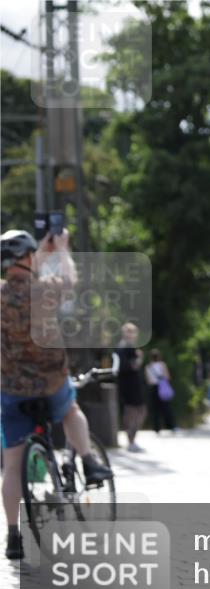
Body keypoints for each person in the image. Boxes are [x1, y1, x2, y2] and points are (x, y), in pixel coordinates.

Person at [1, 228, 113, 560]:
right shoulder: (44, 290)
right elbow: (69, 279)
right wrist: (60, 249)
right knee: (71, 412)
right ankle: (90, 462)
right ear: (27, 258)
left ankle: (13, 536)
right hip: (51, 383)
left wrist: (41, 254)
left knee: (12, 466)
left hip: (11, 390)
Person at [115, 322, 146, 453]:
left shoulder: (119, 346)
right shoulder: (129, 347)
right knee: (138, 411)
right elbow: (135, 365)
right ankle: (131, 440)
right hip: (132, 382)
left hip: (123, 382)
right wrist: (140, 357)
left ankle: (130, 440)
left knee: (130, 410)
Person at [145, 350, 176, 434]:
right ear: (158, 356)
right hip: (162, 387)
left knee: (155, 409)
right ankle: (171, 426)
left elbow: (148, 380)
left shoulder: (148, 366)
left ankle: (156, 428)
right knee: (166, 408)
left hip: (153, 388)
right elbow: (167, 377)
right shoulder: (162, 365)